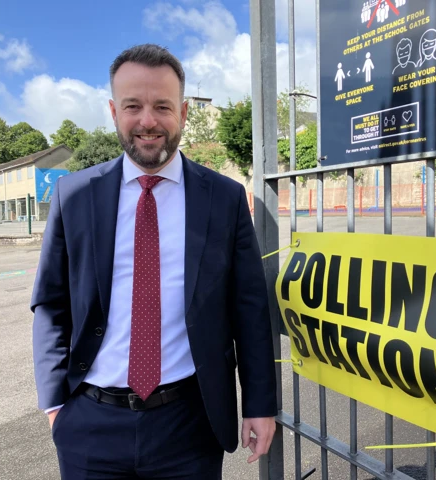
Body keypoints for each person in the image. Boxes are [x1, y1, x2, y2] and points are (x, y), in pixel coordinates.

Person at [31, 43, 277, 479]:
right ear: (113, 111)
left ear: (182, 113)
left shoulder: (224, 198)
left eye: (162, 105)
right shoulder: (75, 195)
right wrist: (55, 404)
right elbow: (51, 304)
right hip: (90, 422)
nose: (148, 120)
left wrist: (259, 404)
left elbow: (250, 308)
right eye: (133, 106)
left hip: (189, 425)